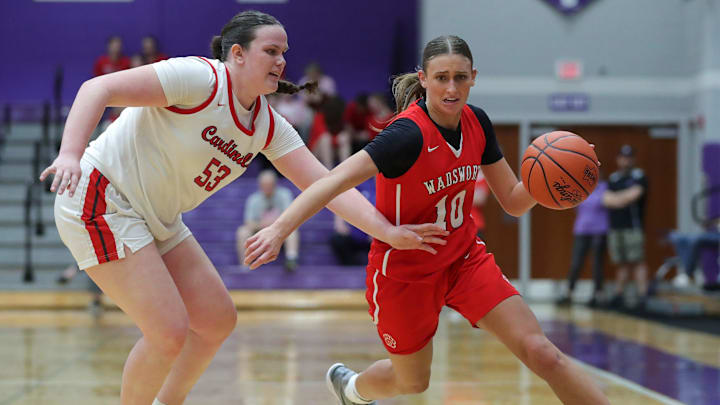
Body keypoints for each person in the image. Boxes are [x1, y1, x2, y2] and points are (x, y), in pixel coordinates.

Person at [41, 11, 445, 405]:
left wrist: (387, 231)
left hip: (155, 216)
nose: (282, 60)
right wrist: (70, 154)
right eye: (271, 50)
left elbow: (328, 187)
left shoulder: (268, 126)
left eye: (284, 52)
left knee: (216, 320)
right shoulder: (199, 78)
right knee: (168, 332)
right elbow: (97, 88)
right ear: (237, 54)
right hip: (101, 195)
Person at [244, 35, 610, 405]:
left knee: (543, 353)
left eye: (460, 78)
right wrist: (279, 228)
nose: (451, 88)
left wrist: (545, 180)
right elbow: (333, 181)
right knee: (413, 382)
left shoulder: (477, 123)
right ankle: (352, 390)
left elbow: (514, 202)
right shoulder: (406, 135)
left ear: (473, 77)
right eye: (441, 78)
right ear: (423, 78)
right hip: (405, 273)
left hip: (464, 259)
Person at [603, 144, 649, 309]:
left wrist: (618, 198)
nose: (626, 160)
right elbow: (607, 200)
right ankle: (619, 294)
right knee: (621, 262)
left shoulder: (639, 176)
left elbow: (633, 196)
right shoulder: (614, 178)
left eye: (629, 157)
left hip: (633, 227)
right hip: (616, 227)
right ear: (618, 159)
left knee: (637, 260)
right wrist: (621, 198)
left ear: (633, 160)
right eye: (623, 157)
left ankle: (642, 295)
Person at [556, 180, 609, 307]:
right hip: (581, 230)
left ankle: (598, 295)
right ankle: (568, 293)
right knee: (576, 263)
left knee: (597, 264)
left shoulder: (604, 187)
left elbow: (609, 201)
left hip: (599, 230)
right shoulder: (580, 186)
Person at [236, 170, 299, 271]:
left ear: (275, 184)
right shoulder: (253, 199)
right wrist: (263, 225)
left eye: (269, 185)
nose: (267, 187)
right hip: (260, 230)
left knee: (293, 231)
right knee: (242, 232)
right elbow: (248, 222)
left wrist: (272, 224)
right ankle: (245, 264)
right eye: (264, 185)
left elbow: (290, 217)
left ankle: (291, 259)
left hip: (280, 229)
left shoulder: (284, 195)